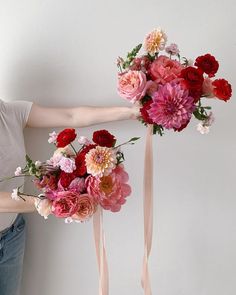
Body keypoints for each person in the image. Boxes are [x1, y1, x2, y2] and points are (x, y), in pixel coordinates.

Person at [0, 98, 140, 295]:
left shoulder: (10, 112)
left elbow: (71, 115)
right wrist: (47, 203)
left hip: (12, 234)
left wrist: (130, 112)